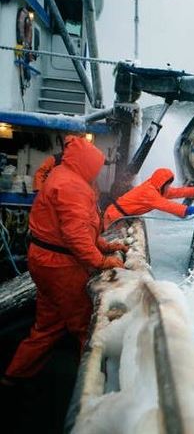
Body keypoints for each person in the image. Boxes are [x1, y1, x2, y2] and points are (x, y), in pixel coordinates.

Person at [1, 136, 126, 385]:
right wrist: (102, 261)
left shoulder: (63, 176)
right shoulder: (73, 187)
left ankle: (14, 375)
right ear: (87, 163)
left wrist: (106, 245)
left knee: (48, 324)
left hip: (45, 260)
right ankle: (90, 386)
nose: (98, 171)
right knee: (86, 326)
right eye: (97, 166)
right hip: (61, 267)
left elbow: (77, 229)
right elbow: (76, 236)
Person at [103, 167, 194, 229]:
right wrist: (189, 210)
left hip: (118, 215)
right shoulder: (150, 193)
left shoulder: (156, 187)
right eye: (168, 184)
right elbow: (167, 205)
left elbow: (175, 192)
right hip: (114, 216)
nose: (168, 187)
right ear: (163, 183)